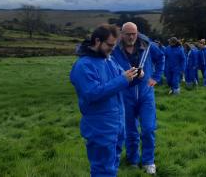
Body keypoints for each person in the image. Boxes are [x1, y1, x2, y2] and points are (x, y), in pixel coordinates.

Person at [70, 24, 140, 177]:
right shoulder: (83, 66)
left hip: (117, 126)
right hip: (100, 128)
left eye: (114, 45)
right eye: (109, 45)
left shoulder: (109, 60)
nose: (112, 49)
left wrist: (135, 77)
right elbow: (92, 94)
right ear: (97, 41)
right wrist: (123, 79)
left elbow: (121, 82)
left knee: (112, 166)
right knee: (103, 170)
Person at [110, 22, 164, 174]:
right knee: (130, 131)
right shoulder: (115, 49)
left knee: (148, 129)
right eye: (128, 34)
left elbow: (161, 58)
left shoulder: (148, 46)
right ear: (122, 34)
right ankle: (132, 160)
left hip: (146, 93)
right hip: (125, 94)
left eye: (133, 33)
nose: (131, 37)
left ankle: (148, 161)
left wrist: (156, 77)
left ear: (137, 32)